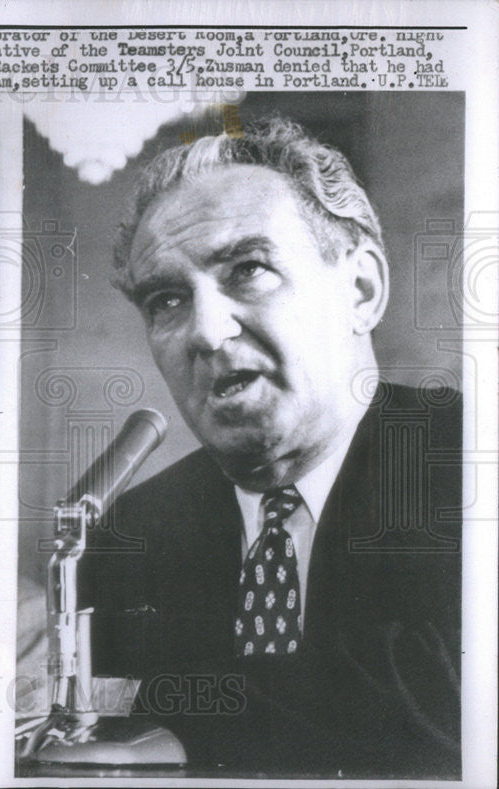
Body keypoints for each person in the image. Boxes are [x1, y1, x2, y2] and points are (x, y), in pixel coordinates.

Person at [80, 118, 461, 776]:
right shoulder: (127, 531)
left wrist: (197, 732)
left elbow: (456, 692)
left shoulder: (471, 459)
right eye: (167, 299)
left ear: (360, 289)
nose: (205, 330)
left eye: (249, 270)